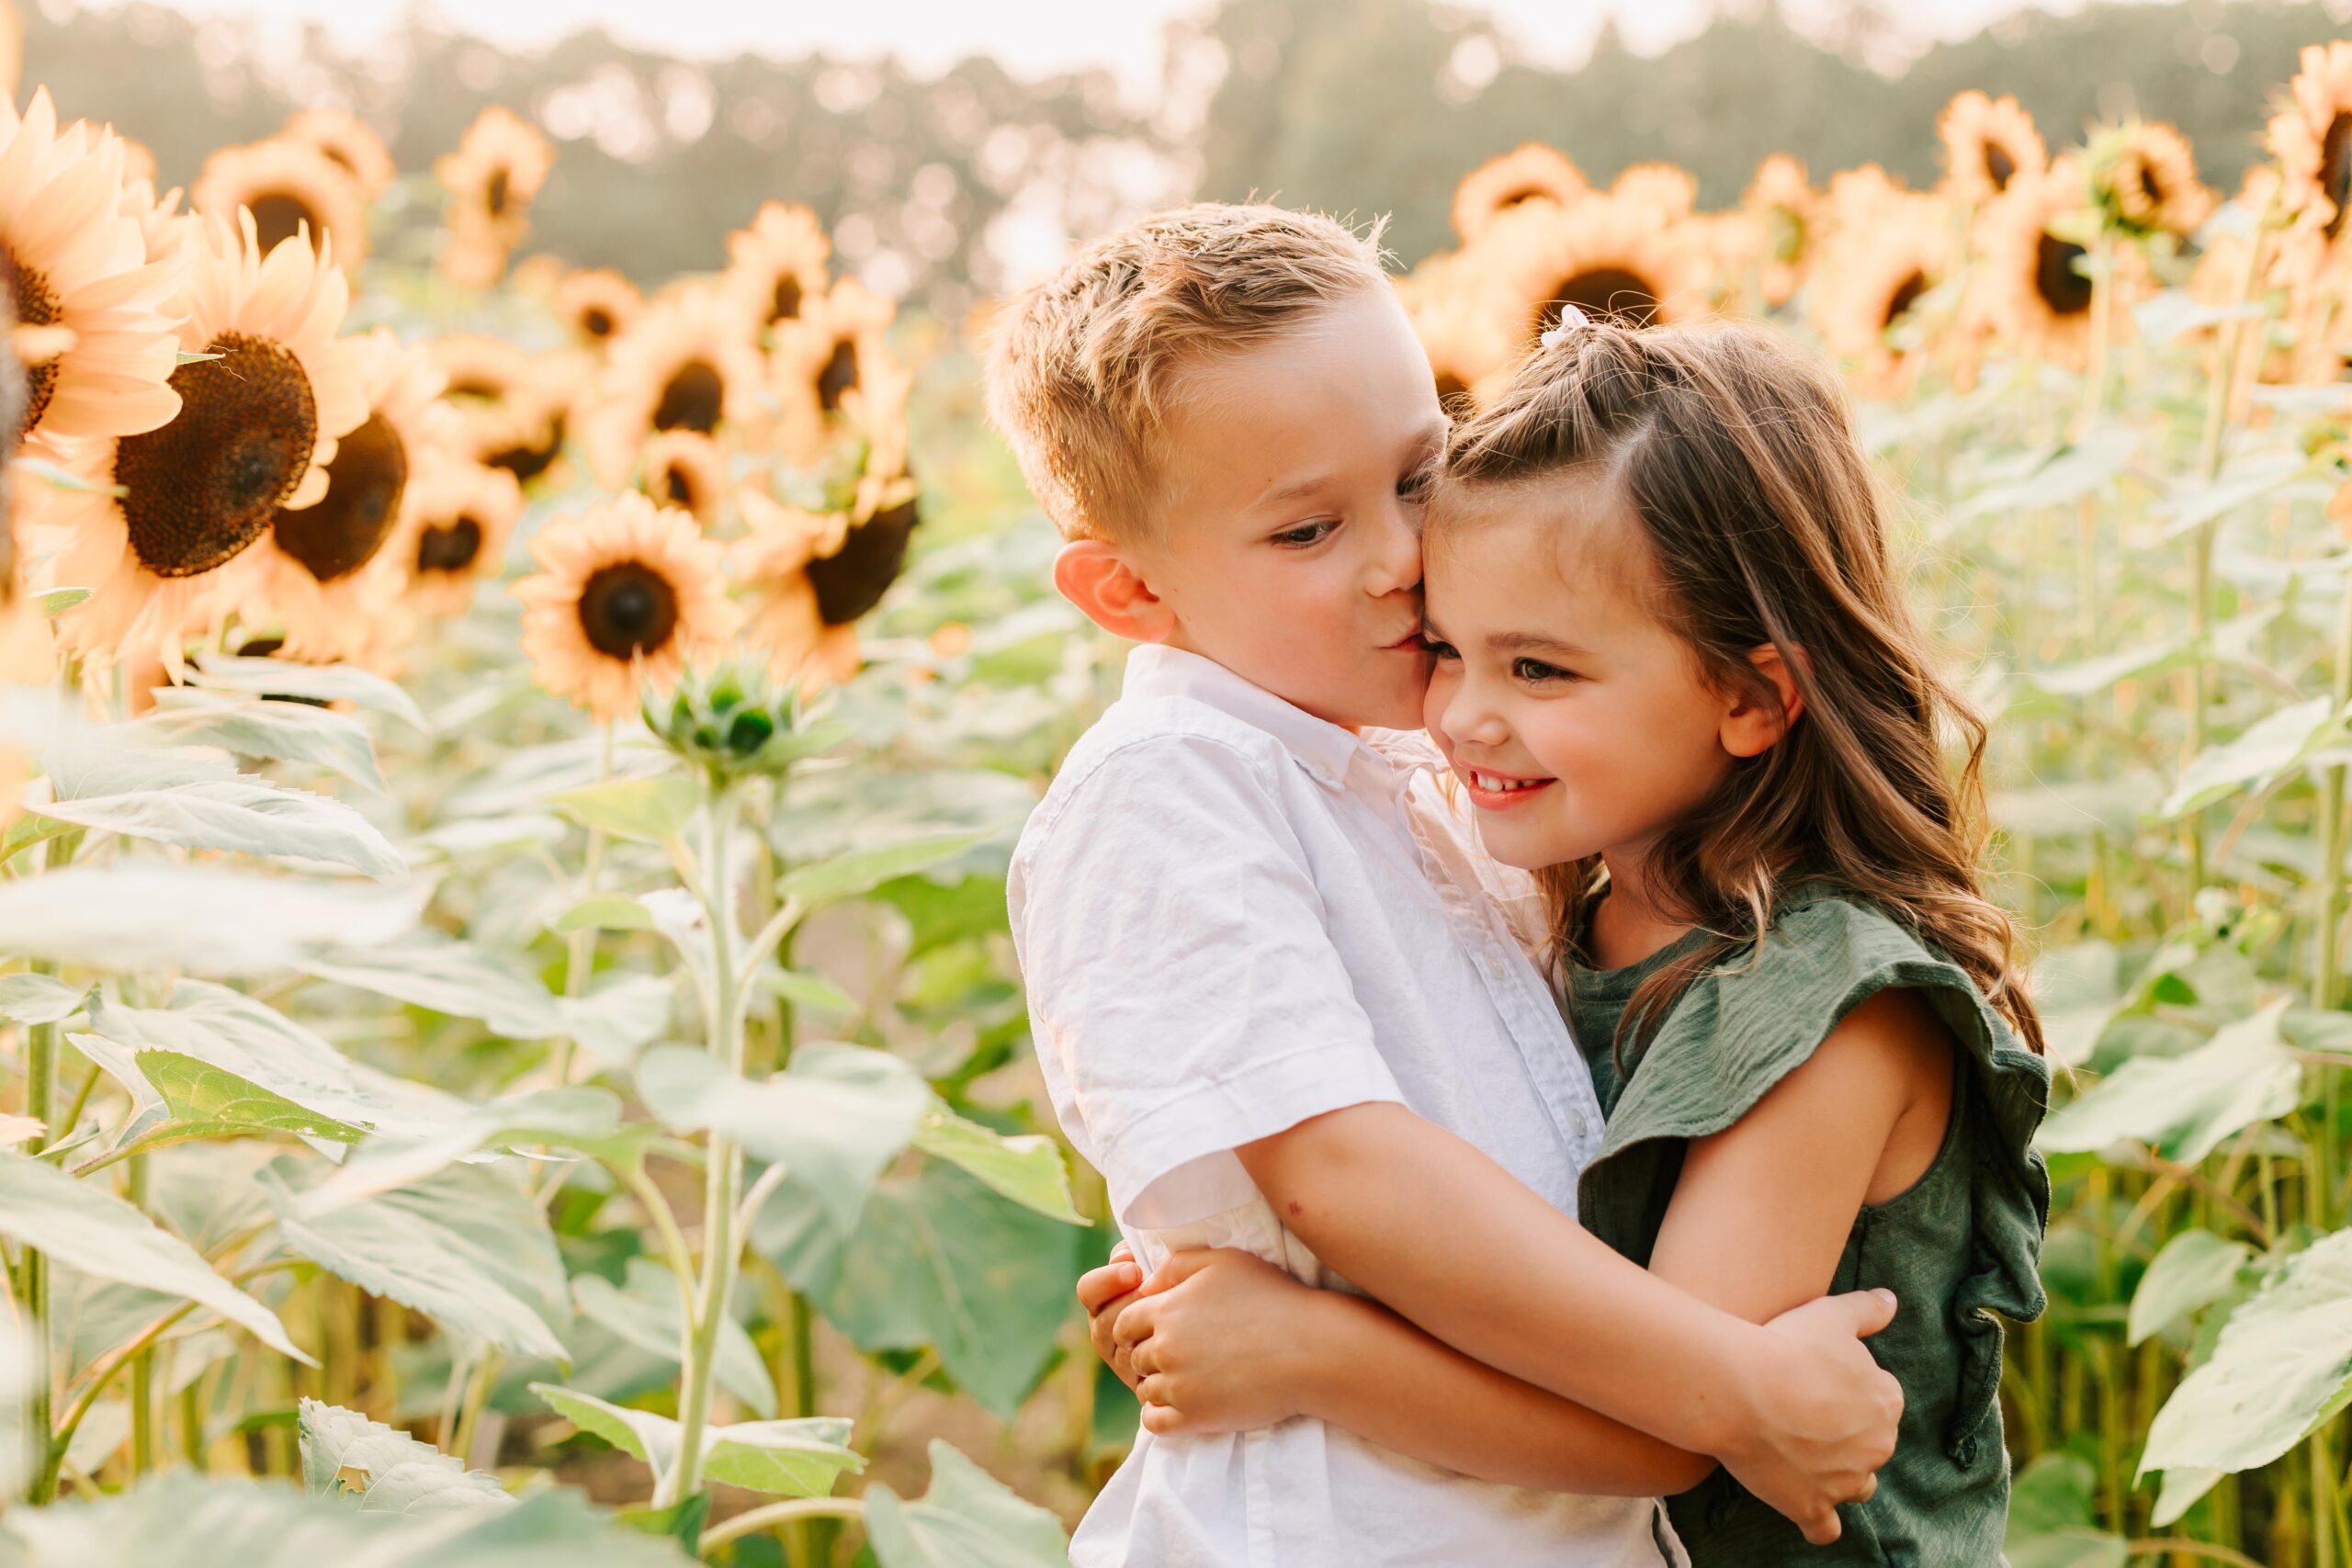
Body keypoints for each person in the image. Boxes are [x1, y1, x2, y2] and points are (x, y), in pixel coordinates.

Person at [989, 202, 1903, 1568]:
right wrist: (1731, 1390)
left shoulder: (1422, 772)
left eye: (1421, 477)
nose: (1400, 560)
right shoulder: (1169, 782)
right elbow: (1343, 1172)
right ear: (1126, 594)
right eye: (1306, 532)